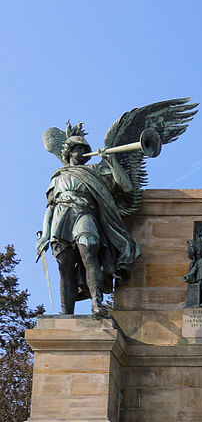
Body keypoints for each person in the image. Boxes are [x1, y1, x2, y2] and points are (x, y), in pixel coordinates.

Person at [38, 127, 139, 317]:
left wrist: (111, 162)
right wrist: (44, 234)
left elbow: (125, 186)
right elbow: (50, 207)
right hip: (61, 216)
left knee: (89, 251)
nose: (85, 153)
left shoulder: (96, 170)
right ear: (69, 152)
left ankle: (97, 303)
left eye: (86, 149)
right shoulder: (58, 175)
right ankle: (65, 313)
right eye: (80, 149)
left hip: (85, 213)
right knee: (64, 265)